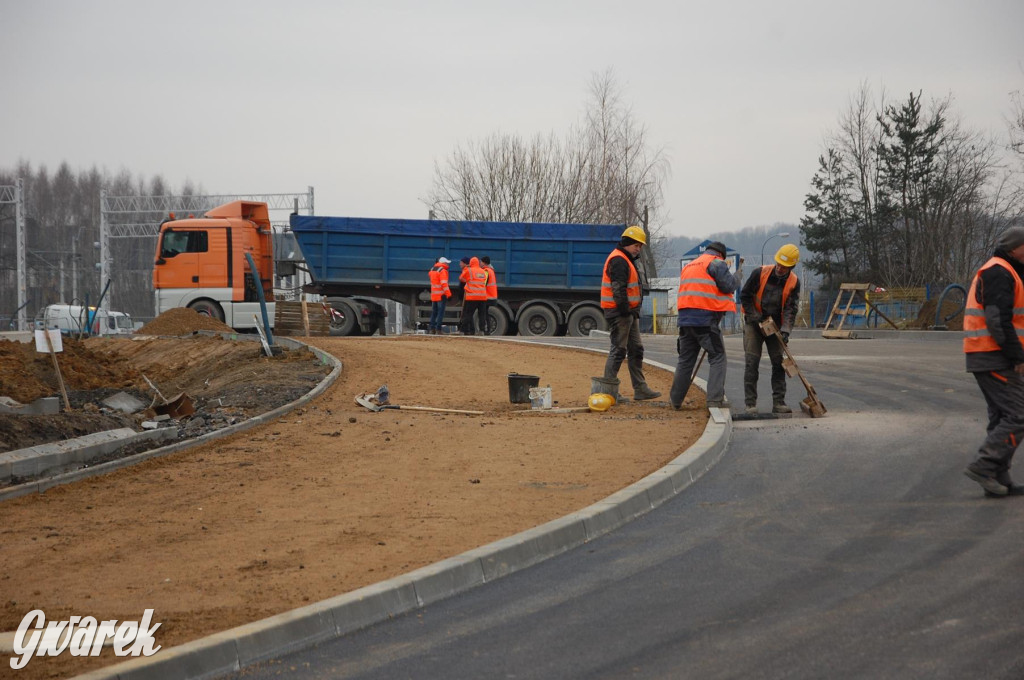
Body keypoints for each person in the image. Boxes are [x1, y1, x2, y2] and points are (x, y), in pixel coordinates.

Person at [963, 226, 1024, 497]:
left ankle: (1000, 478)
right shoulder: (998, 271)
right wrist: (1016, 356)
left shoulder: (1006, 270)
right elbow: (997, 320)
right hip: (992, 355)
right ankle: (983, 467)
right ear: (1015, 248)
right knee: (1019, 414)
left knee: (1001, 416)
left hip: (989, 354)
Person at [669, 241, 740, 410]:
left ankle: (675, 401)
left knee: (685, 361)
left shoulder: (690, 265)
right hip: (706, 320)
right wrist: (738, 277)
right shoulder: (716, 262)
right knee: (718, 357)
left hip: (686, 321)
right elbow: (728, 285)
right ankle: (715, 401)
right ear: (721, 254)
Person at [601, 226, 661, 401]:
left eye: (640, 246)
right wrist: (626, 310)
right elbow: (618, 289)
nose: (639, 249)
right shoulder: (619, 260)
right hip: (621, 313)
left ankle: (640, 389)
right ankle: (609, 390)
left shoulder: (626, 259)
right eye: (637, 245)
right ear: (627, 243)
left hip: (628, 313)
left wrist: (630, 312)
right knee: (618, 350)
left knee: (636, 349)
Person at [739, 244, 801, 415]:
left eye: (785, 266)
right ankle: (750, 404)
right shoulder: (760, 273)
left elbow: (791, 308)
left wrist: (786, 330)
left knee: (779, 364)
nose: (780, 268)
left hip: (775, 326)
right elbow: (744, 296)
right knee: (752, 363)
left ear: (791, 267)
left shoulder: (794, 282)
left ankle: (779, 402)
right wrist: (754, 316)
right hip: (754, 323)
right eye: (779, 264)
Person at [459, 256, 489, 335]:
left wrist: (467, 281)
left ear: (471, 263)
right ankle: (481, 331)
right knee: (482, 315)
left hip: (472, 296)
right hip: (482, 296)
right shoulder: (483, 271)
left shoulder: (469, 270)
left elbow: (461, 278)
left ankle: (462, 330)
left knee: (468, 314)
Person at [428, 256, 452, 334]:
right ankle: (438, 329)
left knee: (434, 312)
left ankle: (432, 329)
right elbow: (444, 284)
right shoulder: (442, 271)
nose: (448, 265)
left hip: (434, 295)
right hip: (441, 295)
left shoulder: (432, 270)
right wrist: (449, 294)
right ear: (443, 263)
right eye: (446, 263)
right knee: (440, 313)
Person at [480, 256, 498, 335]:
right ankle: (488, 329)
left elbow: (483, 283)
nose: (480, 263)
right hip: (491, 295)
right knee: (485, 313)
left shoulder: (486, 271)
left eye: (481, 262)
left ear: (484, 262)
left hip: (487, 296)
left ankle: (486, 329)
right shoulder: (491, 270)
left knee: (484, 313)